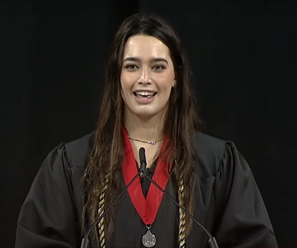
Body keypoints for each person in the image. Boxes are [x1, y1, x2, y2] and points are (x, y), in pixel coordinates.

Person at [15, 13, 277, 248]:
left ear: (176, 77)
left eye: (158, 66)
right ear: (117, 77)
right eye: (131, 66)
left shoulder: (218, 165)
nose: (144, 78)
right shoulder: (71, 165)